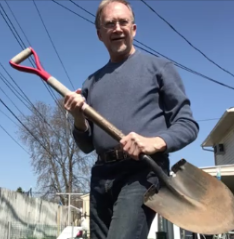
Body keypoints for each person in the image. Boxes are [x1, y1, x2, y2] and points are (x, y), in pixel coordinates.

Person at [63, 0, 199, 238]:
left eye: (123, 22)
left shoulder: (159, 68)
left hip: (142, 171)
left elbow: (187, 125)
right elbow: (86, 146)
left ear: (133, 29)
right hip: (101, 174)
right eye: (109, 24)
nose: (117, 28)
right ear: (100, 35)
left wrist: (155, 141)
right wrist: (77, 117)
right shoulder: (91, 83)